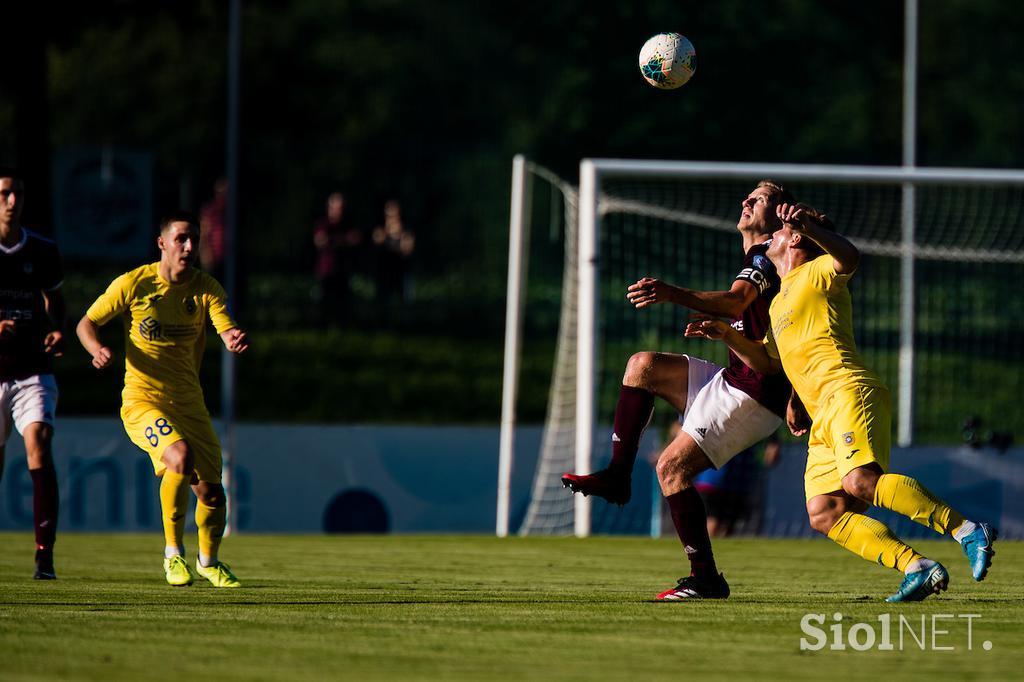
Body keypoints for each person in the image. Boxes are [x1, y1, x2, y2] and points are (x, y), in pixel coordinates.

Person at [685, 202, 997, 602]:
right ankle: (916, 567)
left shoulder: (818, 271)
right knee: (825, 512)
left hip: (849, 391)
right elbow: (767, 362)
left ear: (796, 238)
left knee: (860, 483)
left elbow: (849, 256)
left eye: (777, 232)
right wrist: (726, 334)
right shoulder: (779, 302)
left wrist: (810, 227)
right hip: (821, 415)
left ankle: (967, 530)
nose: (769, 238)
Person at [562, 181, 798, 600]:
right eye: (746, 195)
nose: (745, 201)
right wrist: (725, 335)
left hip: (755, 394)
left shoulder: (765, 257)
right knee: (642, 366)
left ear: (779, 213)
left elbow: (733, 301)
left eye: (758, 198)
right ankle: (618, 478)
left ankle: (705, 577)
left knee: (672, 469)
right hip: (736, 379)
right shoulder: (758, 257)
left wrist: (671, 293)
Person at [76, 211, 249, 588]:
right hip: (142, 400)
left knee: (213, 494)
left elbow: (224, 325)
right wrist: (95, 348)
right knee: (179, 456)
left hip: (189, 403)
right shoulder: (134, 284)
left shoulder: (206, 289)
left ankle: (209, 561)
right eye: (181, 239)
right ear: (162, 243)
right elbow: (86, 323)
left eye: (194, 240)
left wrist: (232, 337)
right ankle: (173, 555)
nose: (189, 247)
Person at [0, 167, 65, 580]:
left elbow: (55, 300)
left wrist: (57, 329)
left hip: (31, 369)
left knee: (39, 441)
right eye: (4, 193)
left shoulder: (41, 249)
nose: (11, 201)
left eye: (17, 194)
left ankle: (45, 555)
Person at [313, 191, 361, 325]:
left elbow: (355, 239)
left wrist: (332, 240)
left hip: (343, 271)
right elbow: (320, 241)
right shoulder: (323, 223)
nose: (336, 211)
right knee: (324, 305)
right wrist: (343, 240)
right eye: (333, 207)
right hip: (326, 271)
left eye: (340, 208)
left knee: (343, 305)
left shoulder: (348, 223)